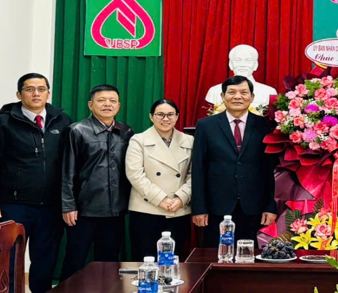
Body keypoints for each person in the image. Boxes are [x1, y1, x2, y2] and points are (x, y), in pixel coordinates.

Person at [0, 73, 72, 293]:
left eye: (41, 89)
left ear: (48, 93)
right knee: (9, 260)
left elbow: (70, 163)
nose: (36, 94)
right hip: (13, 205)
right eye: (29, 89)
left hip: (51, 207)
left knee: (45, 261)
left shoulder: (63, 121)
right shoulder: (2, 124)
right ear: (19, 94)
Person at [191, 75, 278, 247]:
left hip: (254, 207)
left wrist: (270, 206)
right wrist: (199, 208)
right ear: (222, 97)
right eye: (231, 92)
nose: (237, 96)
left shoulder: (264, 126)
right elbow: (198, 168)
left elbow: (270, 170)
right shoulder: (206, 126)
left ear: (252, 97)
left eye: (243, 92)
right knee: (215, 255)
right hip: (216, 207)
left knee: (249, 256)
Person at [60, 84, 134, 280]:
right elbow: (67, 171)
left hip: (115, 209)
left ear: (119, 106)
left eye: (112, 101)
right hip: (83, 209)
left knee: (109, 261)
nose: (107, 104)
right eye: (101, 100)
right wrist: (68, 205)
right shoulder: (76, 130)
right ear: (90, 105)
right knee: (75, 259)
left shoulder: (126, 131)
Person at [126, 99, 193, 260]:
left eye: (170, 114)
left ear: (177, 116)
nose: (165, 119)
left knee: (173, 261)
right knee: (145, 259)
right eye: (160, 115)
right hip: (146, 209)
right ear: (151, 117)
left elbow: (195, 174)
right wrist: (160, 199)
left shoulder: (189, 141)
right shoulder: (138, 140)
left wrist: (182, 197)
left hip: (178, 209)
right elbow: (135, 174)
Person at [205, 44, 278, 107]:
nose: (243, 65)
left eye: (248, 60)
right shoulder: (214, 91)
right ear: (230, 64)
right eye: (238, 60)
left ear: (255, 65)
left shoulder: (269, 92)